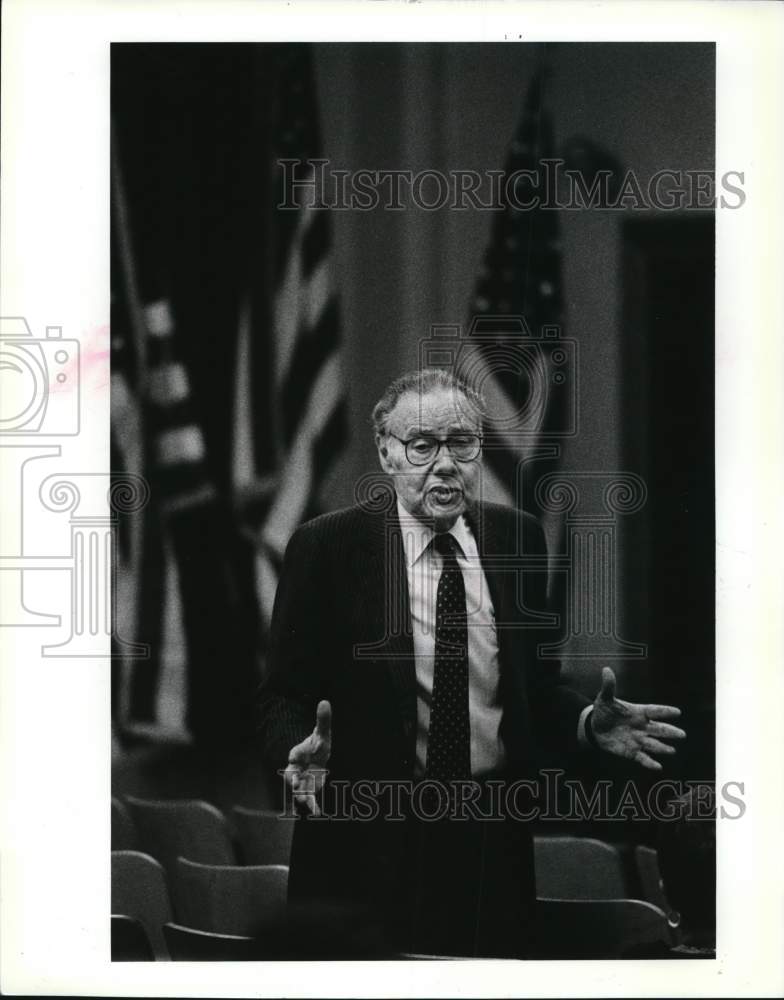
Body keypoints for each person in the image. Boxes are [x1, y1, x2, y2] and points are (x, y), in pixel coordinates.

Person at [257, 368, 686, 958]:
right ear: (387, 454)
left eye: (461, 443)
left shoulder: (518, 540)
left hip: (490, 841)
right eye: (423, 445)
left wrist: (587, 722)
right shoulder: (326, 547)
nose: (446, 463)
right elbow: (282, 693)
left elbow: (535, 688)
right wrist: (294, 751)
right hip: (366, 841)